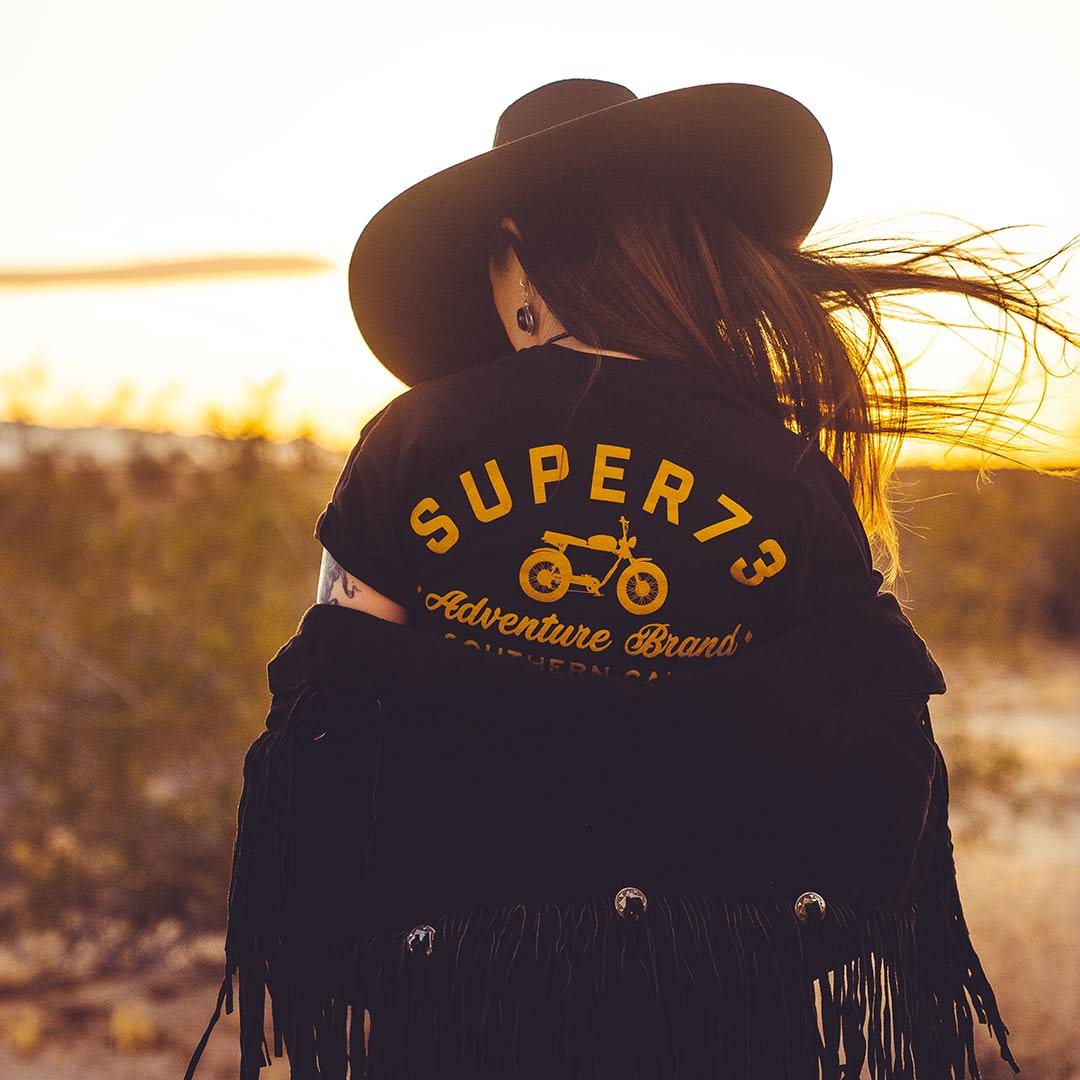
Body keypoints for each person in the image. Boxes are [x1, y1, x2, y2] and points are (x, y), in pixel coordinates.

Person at [186, 79, 1077, 1080]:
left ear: (514, 253)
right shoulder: (786, 471)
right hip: (717, 1003)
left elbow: (329, 718)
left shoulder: (413, 438)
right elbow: (869, 750)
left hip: (462, 995)